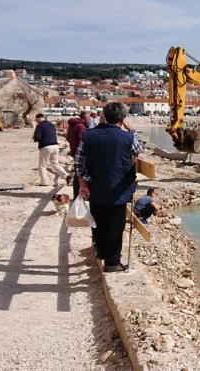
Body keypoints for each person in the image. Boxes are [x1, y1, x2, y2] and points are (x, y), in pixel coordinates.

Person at [76, 102, 144, 272]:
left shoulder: (88, 135)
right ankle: (112, 262)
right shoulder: (128, 138)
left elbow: (79, 162)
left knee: (98, 222)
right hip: (119, 188)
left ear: (104, 116)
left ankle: (100, 252)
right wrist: (131, 129)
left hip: (96, 187)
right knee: (115, 225)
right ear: (122, 118)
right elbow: (139, 148)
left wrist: (83, 183)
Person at [32, 113, 68, 186]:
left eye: (36, 120)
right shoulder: (51, 125)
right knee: (55, 163)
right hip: (55, 146)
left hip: (46, 147)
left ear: (38, 119)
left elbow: (37, 137)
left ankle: (44, 182)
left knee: (42, 165)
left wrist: (34, 134)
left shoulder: (40, 126)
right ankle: (66, 176)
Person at [66, 112, 89, 196]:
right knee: (80, 175)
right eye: (88, 118)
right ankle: (79, 194)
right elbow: (82, 141)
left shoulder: (72, 125)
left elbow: (68, 137)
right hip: (80, 153)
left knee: (77, 173)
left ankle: (76, 194)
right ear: (83, 118)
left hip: (74, 151)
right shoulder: (81, 126)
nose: (89, 120)